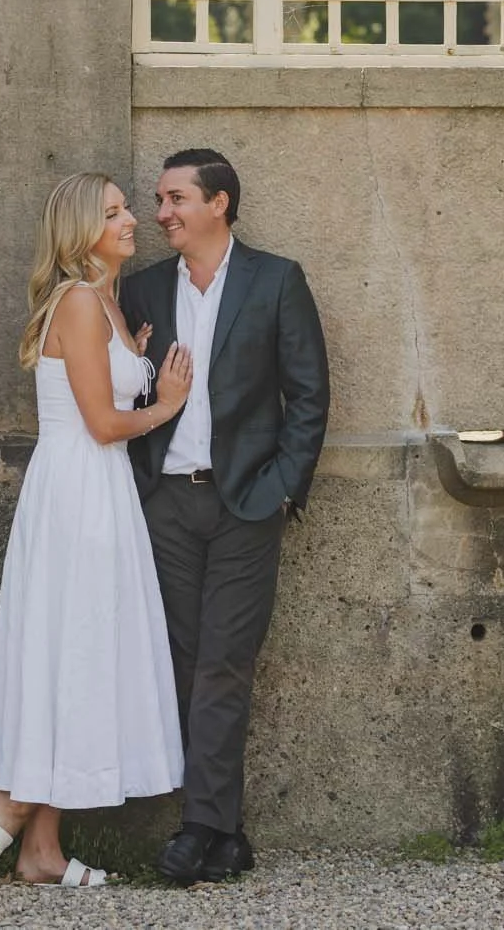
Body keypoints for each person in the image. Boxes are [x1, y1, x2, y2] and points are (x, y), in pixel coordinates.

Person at [0, 172, 196, 886]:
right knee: (75, 646)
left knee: (79, 650)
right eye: (117, 212)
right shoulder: (79, 302)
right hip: (80, 490)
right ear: (81, 230)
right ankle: (13, 797)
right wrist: (168, 404)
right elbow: (101, 423)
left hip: (101, 490)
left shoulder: (107, 302)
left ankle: (41, 849)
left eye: (130, 208)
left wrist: (141, 358)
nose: (133, 220)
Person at [120, 147, 331, 884]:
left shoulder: (276, 280)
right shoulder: (142, 289)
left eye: (176, 197)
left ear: (220, 203)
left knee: (222, 662)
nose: (162, 212)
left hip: (246, 502)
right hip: (167, 503)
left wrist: (281, 487)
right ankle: (226, 835)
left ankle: (197, 828)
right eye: (158, 199)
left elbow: (308, 395)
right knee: (183, 664)